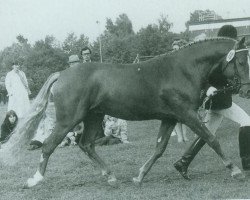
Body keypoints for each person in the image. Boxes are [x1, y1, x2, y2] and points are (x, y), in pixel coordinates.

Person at [174, 25, 250, 180]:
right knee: (246, 121)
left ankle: (183, 162)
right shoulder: (219, 55)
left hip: (218, 100)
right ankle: (247, 162)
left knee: (207, 134)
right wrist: (209, 87)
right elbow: (202, 77)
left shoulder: (222, 53)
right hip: (219, 101)